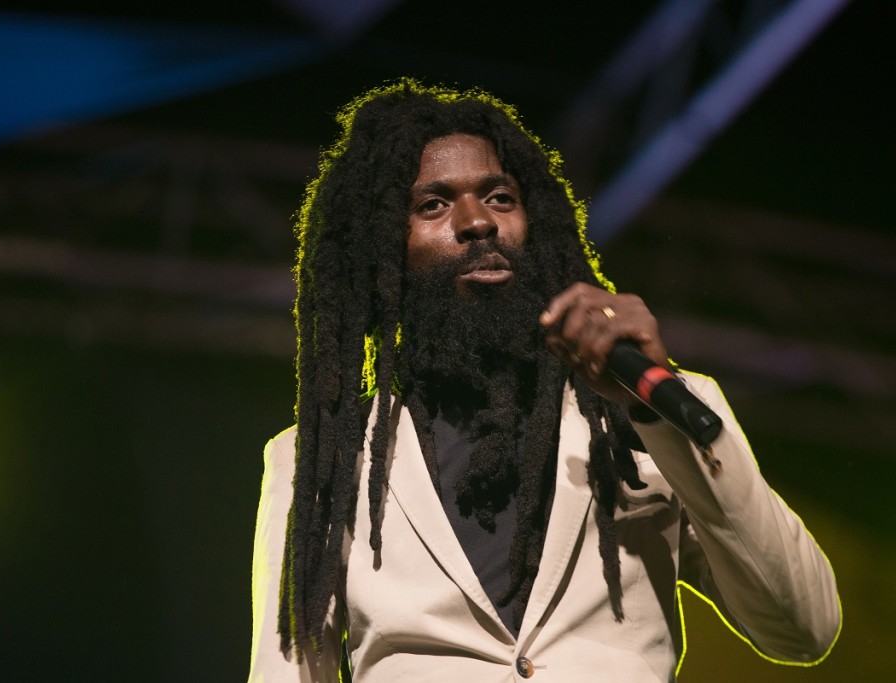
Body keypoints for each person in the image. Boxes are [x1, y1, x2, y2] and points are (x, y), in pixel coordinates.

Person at [247, 78, 841, 682]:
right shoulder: (316, 460)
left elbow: (803, 629)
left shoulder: (647, 412)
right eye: (433, 204)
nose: (478, 222)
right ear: (378, 254)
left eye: (500, 197)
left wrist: (659, 417)